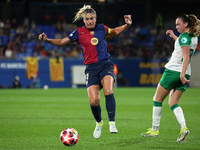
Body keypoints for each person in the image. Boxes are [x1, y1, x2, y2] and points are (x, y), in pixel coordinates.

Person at [38, 4, 132, 139]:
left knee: (108, 91)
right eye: (87, 19)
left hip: (105, 65)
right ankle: (99, 123)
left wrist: (127, 25)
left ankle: (112, 122)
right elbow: (62, 41)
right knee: (94, 101)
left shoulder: (102, 28)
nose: (90, 21)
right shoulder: (78, 32)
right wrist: (47, 40)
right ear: (84, 20)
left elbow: (115, 31)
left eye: (92, 18)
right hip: (91, 68)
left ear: (95, 18)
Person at [141, 14, 200, 143]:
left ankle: (154, 130)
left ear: (186, 24)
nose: (176, 26)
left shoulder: (184, 37)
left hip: (174, 71)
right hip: (184, 72)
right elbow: (182, 45)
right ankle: (183, 128)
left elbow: (186, 57)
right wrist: (174, 36)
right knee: (173, 103)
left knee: (157, 99)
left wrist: (181, 75)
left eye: (178, 24)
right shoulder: (193, 37)